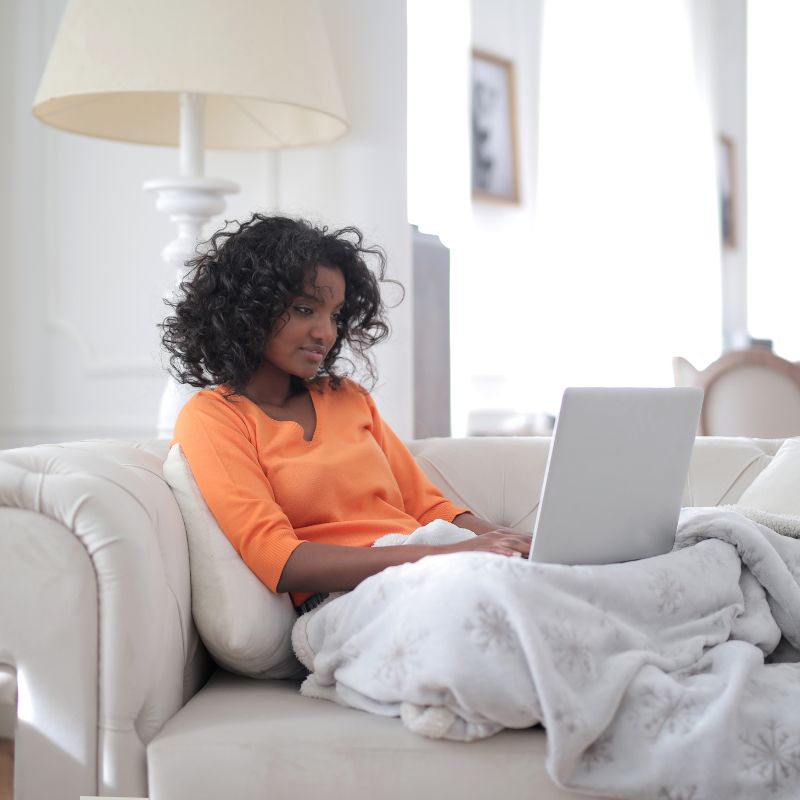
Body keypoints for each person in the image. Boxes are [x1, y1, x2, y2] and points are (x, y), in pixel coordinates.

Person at [162, 214, 530, 613]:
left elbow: (427, 508)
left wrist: (509, 540)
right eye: (306, 309)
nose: (326, 332)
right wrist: (447, 556)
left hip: (431, 569)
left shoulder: (349, 399)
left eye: (334, 314)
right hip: (347, 599)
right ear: (249, 307)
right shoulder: (213, 418)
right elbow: (279, 560)